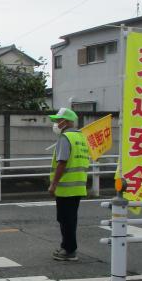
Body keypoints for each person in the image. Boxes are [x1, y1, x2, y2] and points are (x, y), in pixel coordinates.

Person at [48, 108, 89, 262]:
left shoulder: (65, 138)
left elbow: (62, 162)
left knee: (65, 219)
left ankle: (69, 250)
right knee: (70, 219)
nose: (56, 123)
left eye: (59, 120)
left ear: (66, 122)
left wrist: (53, 184)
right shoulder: (81, 137)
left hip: (66, 187)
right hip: (79, 185)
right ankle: (67, 247)